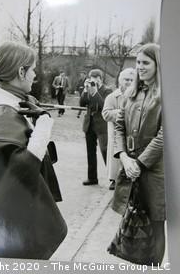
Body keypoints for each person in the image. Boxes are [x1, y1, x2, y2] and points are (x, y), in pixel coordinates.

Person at [0, 41, 67, 259]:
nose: (35, 76)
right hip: (8, 221)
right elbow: (23, 168)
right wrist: (43, 124)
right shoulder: (5, 111)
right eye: (32, 69)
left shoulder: (2, 109)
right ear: (21, 72)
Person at [112, 43, 165, 265]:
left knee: (154, 227)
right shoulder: (129, 93)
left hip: (154, 173)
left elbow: (166, 134)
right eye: (138, 63)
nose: (140, 67)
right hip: (130, 167)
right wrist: (124, 157)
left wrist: (139, 164)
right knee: (132, 221)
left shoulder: (167, 95)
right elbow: (119, 128)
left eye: (145, 63)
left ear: (157, 65)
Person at [102, 68, 135, 190]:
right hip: (116, 132)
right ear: (120, 81)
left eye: (131, 80)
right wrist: (122, 113)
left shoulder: (137, 95)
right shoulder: (112, 97)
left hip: (132, 132)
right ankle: (114, 180)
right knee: (116, 156)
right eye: (126, 79)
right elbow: (105, 114)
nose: (129, 82)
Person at [80, 69, 112, 185]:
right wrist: (85, 91)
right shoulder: (88, 88)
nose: (92, 81)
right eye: (90, 78)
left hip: (102, 125)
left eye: (94, 78)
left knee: (105, 150)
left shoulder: (107, 90)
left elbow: (104, 105)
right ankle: (92, 178)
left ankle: (112, 178)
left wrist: (94, 92)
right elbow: (82, 103)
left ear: (99, 78)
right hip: (89, 124)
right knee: (90, 152)